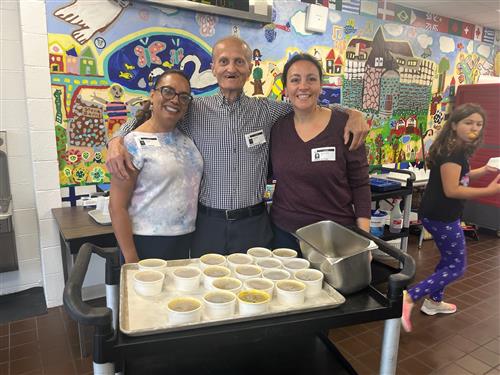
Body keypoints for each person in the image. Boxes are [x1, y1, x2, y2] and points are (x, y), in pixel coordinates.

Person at [107, 36, 369, 257]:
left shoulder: (265, 110)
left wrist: (351, 113)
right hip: (207, 225)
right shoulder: (193, 109)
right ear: (214, 68)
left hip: (254, 224)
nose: (231, 68)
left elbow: (306, 103)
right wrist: (117, 139)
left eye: (239, 61)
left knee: (255, 297)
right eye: (224, 61)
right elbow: (152, 115)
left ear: (247, 68)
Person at [401, 103, 500, 332]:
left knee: (448, 261)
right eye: (468, 122)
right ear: (454, 125)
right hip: (442, 217)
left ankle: (434, 302)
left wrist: (483, 171)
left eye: (478, 124)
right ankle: (409, 298)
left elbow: (460, 177)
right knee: (456, 267)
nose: (474, 127)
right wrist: (490, 191)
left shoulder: (455, 147)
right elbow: (453, 190)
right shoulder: (453, 151)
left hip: (439, 214)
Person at [269, 53, 371, 251]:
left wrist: (364, 240)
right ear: (286, 88)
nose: (303, 86)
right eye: (295, 80)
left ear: (320, 85)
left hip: (334, 236)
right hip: (284, 235)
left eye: (311, 79)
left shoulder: (346, 126)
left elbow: (360, 184)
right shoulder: (277, 128)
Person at [109, 70, 203, 263]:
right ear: (153, 95)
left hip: (187, 239)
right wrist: (131, 259)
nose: (175, 100)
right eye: (168, 91)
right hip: (145, 242)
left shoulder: (186, 138)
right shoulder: (131, 144)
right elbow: (116, 207)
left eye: (183, 97)